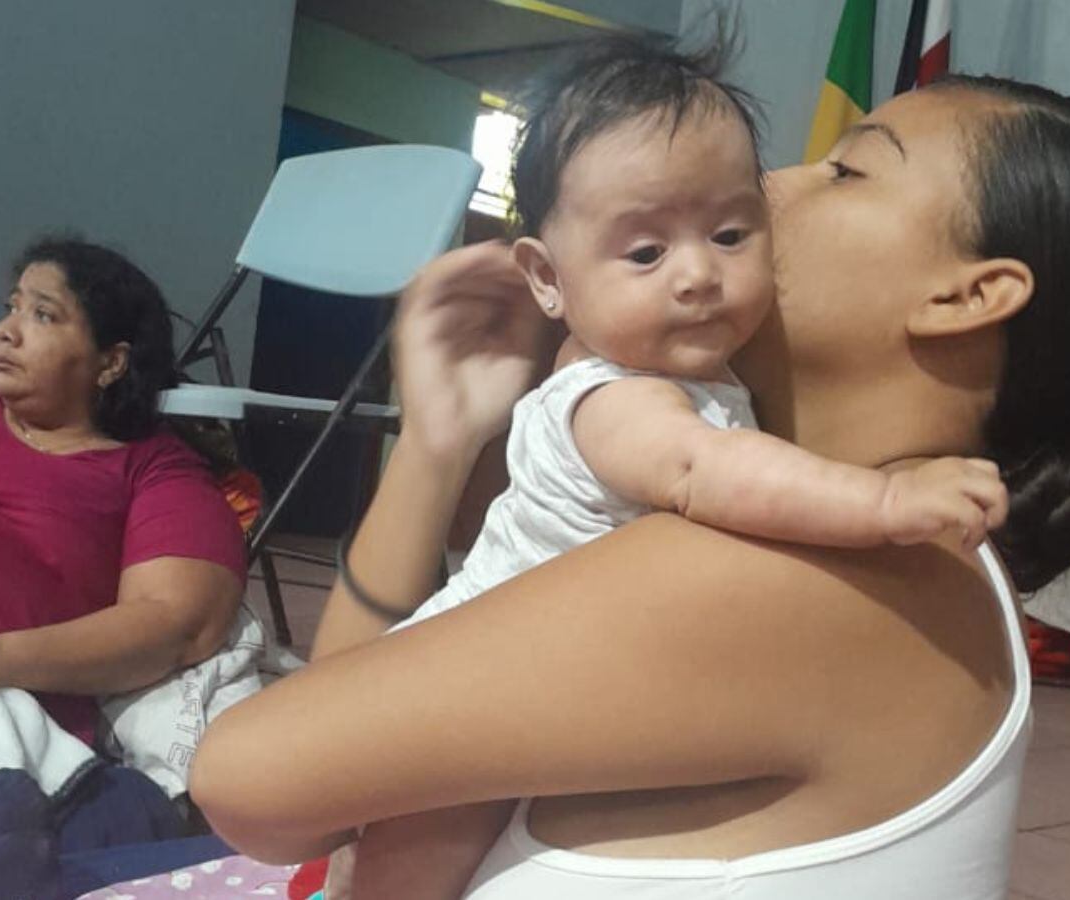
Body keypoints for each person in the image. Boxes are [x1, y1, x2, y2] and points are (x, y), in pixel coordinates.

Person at [190, 71, 1070, 900]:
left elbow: (260, 780)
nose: (767, 183)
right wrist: (438, 446)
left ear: (965, 295)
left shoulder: (823, 572)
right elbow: (362, 733)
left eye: (846, 168)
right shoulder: (892, 557)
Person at [401, 39, 1006, 641]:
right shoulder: (613, 398)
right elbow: (705, 468)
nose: (697, 276)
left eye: (729, 235)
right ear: (548, 278)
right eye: (646, 252)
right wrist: (884, 502)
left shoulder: (674, 367)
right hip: (464, 658)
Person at [0, 237, 246, 744]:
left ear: (111, 362)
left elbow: (177, 625)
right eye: (12, 308)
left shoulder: (153, 471)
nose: (3, 333)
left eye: (43, 315)